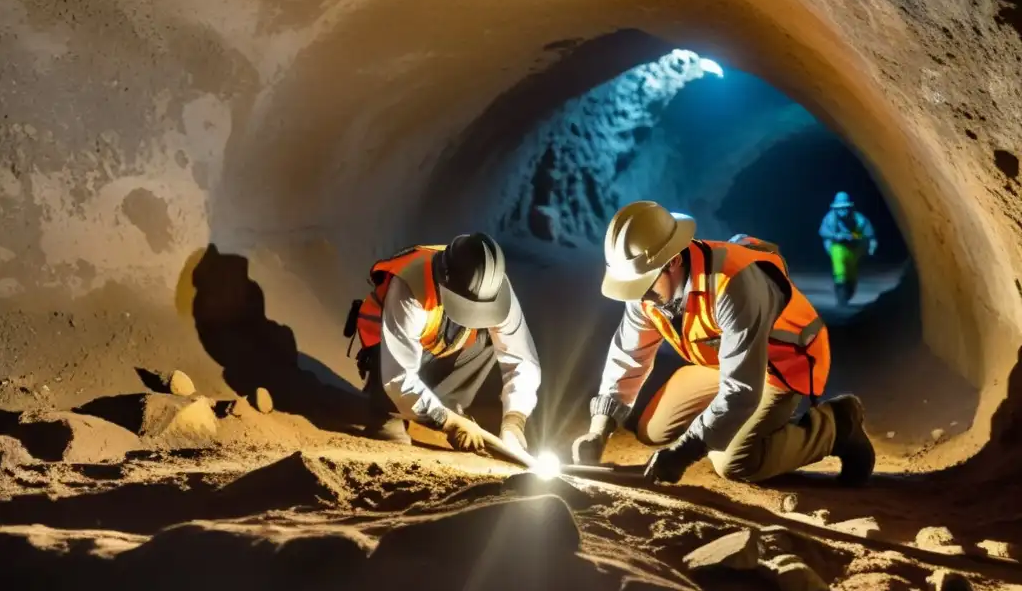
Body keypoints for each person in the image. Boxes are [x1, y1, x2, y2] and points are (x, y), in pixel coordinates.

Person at [570, 200, 875, 487]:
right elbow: (629, 355)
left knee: (732, 461)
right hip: (722, 363)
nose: (638, 296)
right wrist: (599, 429)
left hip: (780, 364)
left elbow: (741, 389)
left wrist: (685, 451)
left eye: (642, 285)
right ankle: (723, 427)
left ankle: (837, 426)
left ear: (673, 261)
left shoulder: (733, 284)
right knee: (654, 431)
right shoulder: (647, 289)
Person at [347, 233, 540, 455]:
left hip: (439, 346)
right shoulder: (411, 284)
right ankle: (388, 413)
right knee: (393, 432)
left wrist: (514, 420)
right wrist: (448, 421)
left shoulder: (495, 290)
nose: (473, 314)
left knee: (489, 339)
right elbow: (398, 376)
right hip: (389, 349)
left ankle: (446, 406)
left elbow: (522, 359)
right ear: (444, 279)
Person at [818, 191, 877, 307]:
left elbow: (870, 235)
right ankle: (841, 294)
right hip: (837, 247)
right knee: (839, 269)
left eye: (845, 208)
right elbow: (823, 231)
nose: (842, 212)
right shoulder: (830, 219)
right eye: (839, 209)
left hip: (854, 249)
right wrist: (836, 236)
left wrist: (871, 248)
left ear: (850, 208)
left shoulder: (859, 220)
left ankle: (849, 289)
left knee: (851, 271)